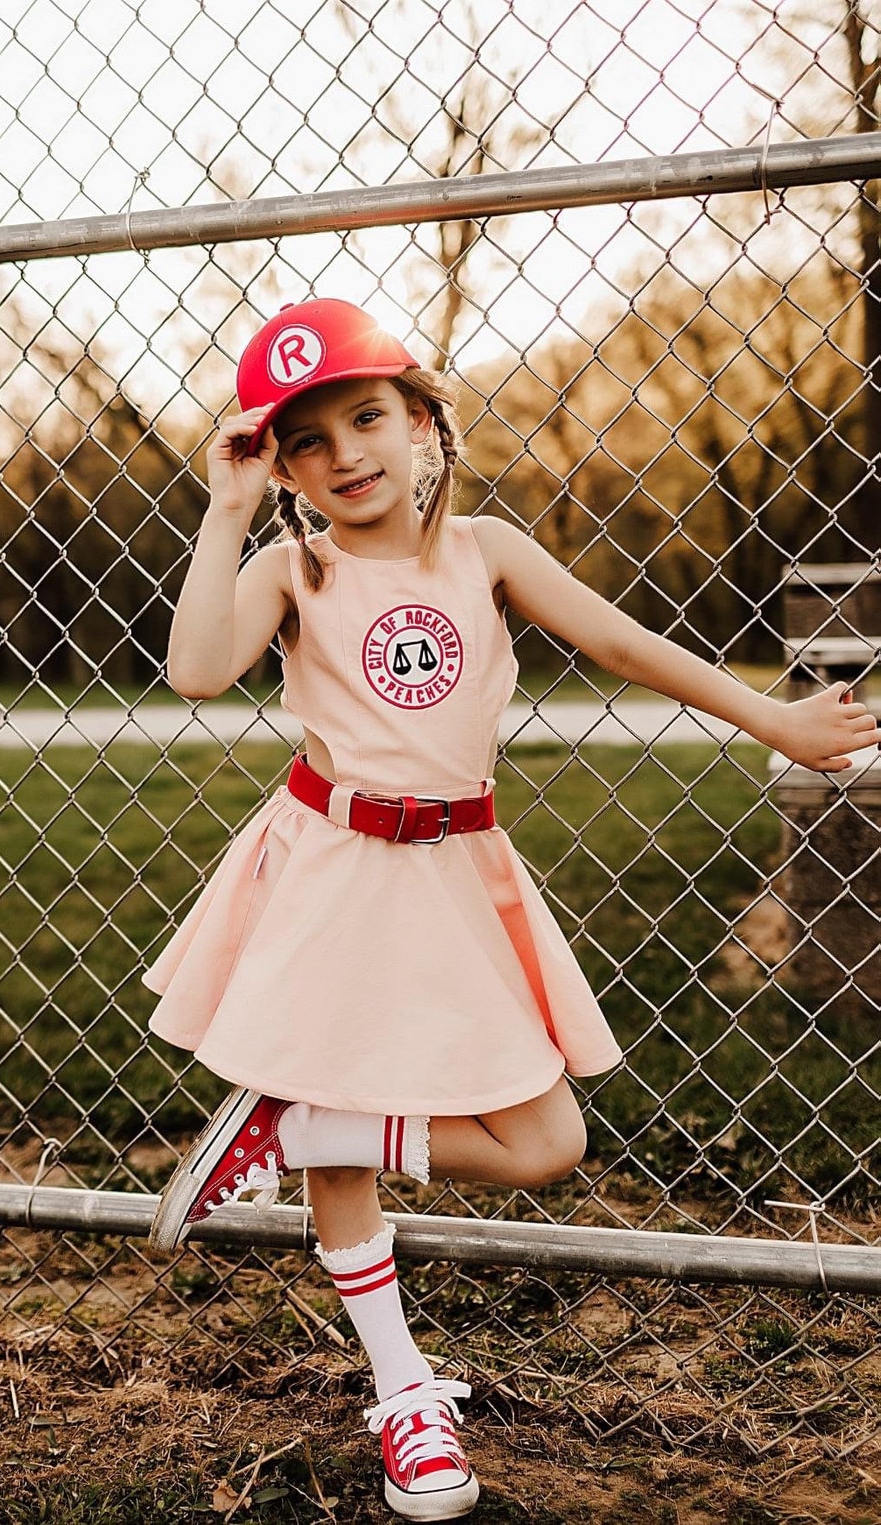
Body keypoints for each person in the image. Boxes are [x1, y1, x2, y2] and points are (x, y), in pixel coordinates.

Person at [142, 297, 878, 1521]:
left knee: (546, 1141)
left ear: (425, 420)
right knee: (359, 1092)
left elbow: (632, 645)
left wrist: (780, 719)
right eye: (308, 441)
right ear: (280, 465)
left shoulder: (485, 551)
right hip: (331, 865)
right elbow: (198, 668)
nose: (347, 456)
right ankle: (403, 1393)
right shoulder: (290, 565)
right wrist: (224, 513)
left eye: (367, 418)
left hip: (456, 871)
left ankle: (306, 1127)